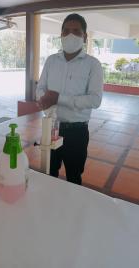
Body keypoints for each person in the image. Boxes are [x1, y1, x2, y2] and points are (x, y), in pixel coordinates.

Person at [36, 13, 103, 185]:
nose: (70, 35)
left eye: (76, 31)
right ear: (61, 34)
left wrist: (58, 98)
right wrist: (45, 102)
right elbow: (40, 89)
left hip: (77, 132)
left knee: (74, 178)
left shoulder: (93, 64)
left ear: (84, 36)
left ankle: (71, 211)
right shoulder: (51, 61)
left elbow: (95, 100)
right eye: (66, 31)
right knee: (47, 174)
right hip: (50, 128)